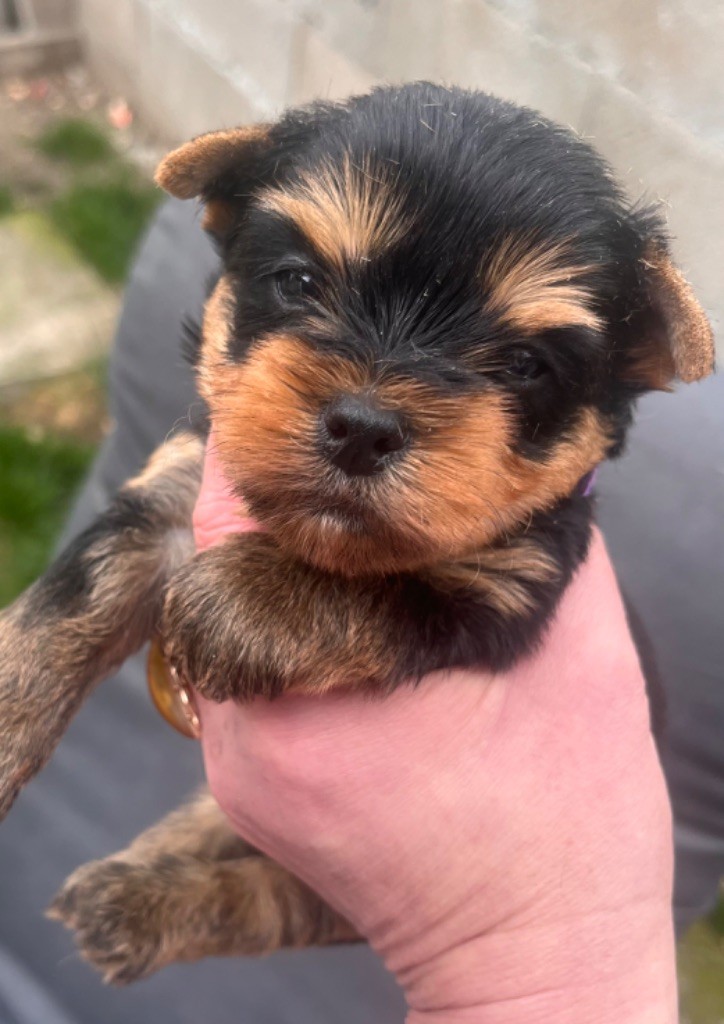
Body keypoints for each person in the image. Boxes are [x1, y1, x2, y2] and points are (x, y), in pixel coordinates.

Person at [0, 198, 721, 1024]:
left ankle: (206, 904)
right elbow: (139, 540)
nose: (370, 404)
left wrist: (531, 947)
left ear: (635, 369)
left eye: (521, 363)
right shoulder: (230, 435)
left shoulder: (528, 555)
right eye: (303, 285)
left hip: (504, 857)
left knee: (292, 879)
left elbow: (478, 607)